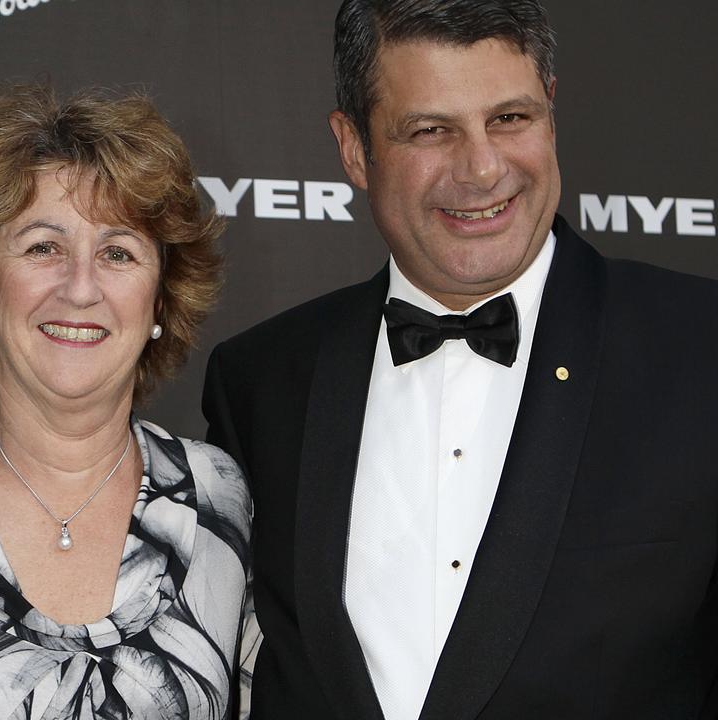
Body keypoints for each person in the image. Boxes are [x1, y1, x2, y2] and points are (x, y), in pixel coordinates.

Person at [202, 1, 718, 718]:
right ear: (354, 149)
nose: (481, 169)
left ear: (552, 113)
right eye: (431, 130)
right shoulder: (262, 380)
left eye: (510, 118)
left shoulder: (700, 350)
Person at [0, 83, 251, 718]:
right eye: (43, 247)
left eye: (118, 252)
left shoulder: (220, 499)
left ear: (160, 302)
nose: (81, 288)